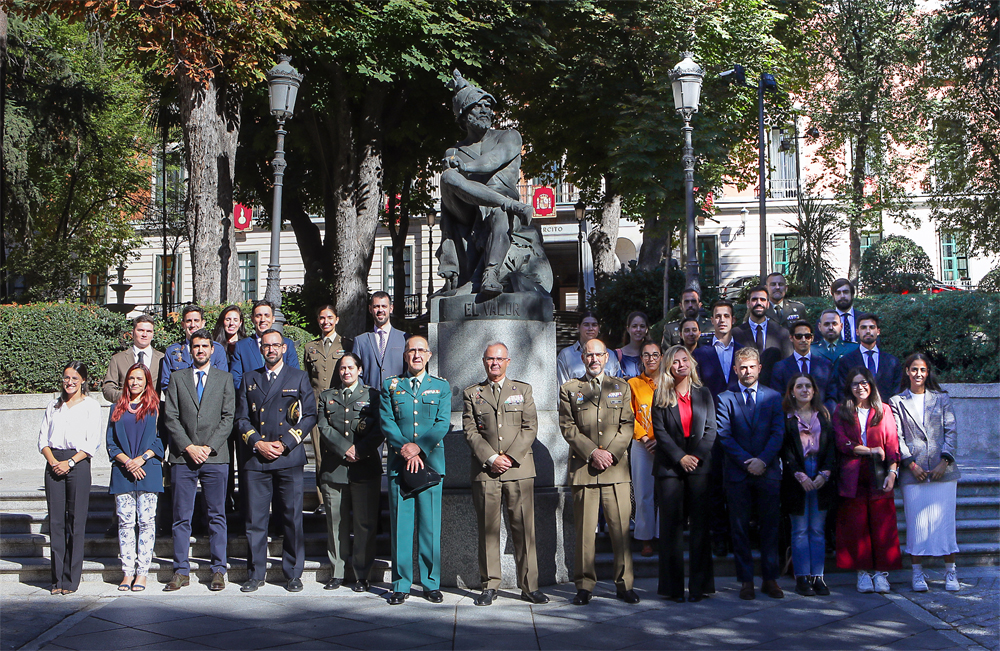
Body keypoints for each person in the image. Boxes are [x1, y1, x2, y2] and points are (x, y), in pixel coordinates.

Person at [438, 70, 549, 298]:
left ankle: (490, 273)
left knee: (498, 212)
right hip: (469, 212)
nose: (486, 110)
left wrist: (464, 167)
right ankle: (511, 205)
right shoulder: (454, 152)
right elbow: (453, 187)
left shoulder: (509, 136)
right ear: (464, 114)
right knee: (447, 177)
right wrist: (456, 168)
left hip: (499, 212)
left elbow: (492, 161)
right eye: (479, 106)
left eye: (489, 106)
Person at [462, 342, 548, 606]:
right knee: (488, 530)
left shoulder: (522, 390)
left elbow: (529, 426)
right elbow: (470, 431)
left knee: (524, 529)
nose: (494, 363)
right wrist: (491, 458)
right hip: (486, 471)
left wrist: (509, 458)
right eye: (490, 359)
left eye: (499, 359)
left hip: (519, 469)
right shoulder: (472, 393)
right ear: (484, 361)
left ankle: (529, 586)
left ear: (508, 361)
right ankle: (489, 585)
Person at [559, 338, 639, 606]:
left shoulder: (621, 387)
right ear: (582, 358)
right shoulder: (570, 389)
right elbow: (568, 427)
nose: (593, 359)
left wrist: (610, 453)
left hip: (616, 470)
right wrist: (593, 452)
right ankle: (584, 586)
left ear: (607, 358)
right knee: (584, 533)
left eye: (598, 355)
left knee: (620, 531)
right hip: (585, 469)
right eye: (589, 355)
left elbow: (628, 424)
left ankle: (624, 584)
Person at [236, 329, 317, 593]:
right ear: (261, 349)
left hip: (288, 456)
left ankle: (293, 573)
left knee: (292, 518)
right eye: (266, 346)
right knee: (255, 520)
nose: (271, 349)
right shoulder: (250, 378)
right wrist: (256, 442)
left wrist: (286, 443)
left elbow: (309, 416)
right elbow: (241, 418)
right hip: (257, 459)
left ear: (284, 348)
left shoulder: (299, 377)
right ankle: (255, 573)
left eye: (276, 345)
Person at [163, 329, 236, 592]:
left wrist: (208, 447)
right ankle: (181, 570)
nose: (201, 350)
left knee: (217, 515)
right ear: (189, 349)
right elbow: (170, 416)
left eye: (205, 346)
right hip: (183, 457)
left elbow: (229, 417)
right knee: (181, 516)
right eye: (196, 346)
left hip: (215, 457)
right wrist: (189, 446)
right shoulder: (177, 378)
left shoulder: (224, 379)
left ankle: (218, 569)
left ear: (212, 350)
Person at [380, 336, 451, 605]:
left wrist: (418, 448)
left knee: (429, 528)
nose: (417, 355)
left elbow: (442, 423)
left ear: (429, 355)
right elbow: (387, 422)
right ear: (405, 355)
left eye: (421, 350)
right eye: (412, 350)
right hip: (400, 466)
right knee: (401, 527)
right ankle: (401, 583)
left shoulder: (441, 387)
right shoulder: (391, 386)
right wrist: (404, 448)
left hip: (430, 465)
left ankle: (430, 583)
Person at [715, 347, 786, 600]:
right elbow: (724, 435)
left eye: (751, 366)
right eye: (742, 367)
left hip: (767, 472)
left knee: (770, 528)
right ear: (735, 370)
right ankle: (746, 580)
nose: (747, 371)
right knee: (740, 529)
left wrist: (763, 461)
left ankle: (770, 579)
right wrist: (748, 462)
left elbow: (778, 433)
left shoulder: (774, 397)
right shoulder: (725, 398)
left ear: (759, 368)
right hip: (738, 473)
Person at [650, 346, 716, 602]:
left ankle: (700, 587)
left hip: (699, 467)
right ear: (668, 366)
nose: (681, 365)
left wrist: (696, 456)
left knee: (700, 528)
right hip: (670, 469)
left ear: (691, 363)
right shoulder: (660, 395)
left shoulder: (704, 393)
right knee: (671, 530)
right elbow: (661, 433)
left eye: (684, 360)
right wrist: (681, 457)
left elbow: (711, 429)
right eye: (675, 361)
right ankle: (672, 588)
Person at [889, 353, 961, 592]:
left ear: (927, 372)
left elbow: (951, 431)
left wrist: (944, 461)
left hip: (943, 472)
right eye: (914, 369)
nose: (918, 374)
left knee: (945, 523)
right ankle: (917, 574)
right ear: (907, 372)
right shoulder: (896, 401)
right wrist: (910, 464)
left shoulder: (942, 399)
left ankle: (950, 572)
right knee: (917, 523)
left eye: (922, 370)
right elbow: (897, 437)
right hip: (914, 472)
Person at [317, 353, 384, 593]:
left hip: (365, 467)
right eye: (342, 368)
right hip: (335, 469)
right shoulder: (327, 397)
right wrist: (346, 449)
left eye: (350, 367)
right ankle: (337, 572)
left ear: (360, 369)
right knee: (336, 522)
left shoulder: (373, 396)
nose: (346, 372)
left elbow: (380, 428)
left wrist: (360, 450)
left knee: (364, 524)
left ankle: (362, 574)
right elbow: (324, 427)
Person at [832, 366, 902, 594]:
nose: (860, 387)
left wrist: (893, 472)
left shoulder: (884, 410)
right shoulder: (842, 410)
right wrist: (870, 450)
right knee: (856, 525)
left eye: (864, 383)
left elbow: (892, 444)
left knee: (883, 525)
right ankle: (862, 572)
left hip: (879, 474)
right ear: (849, 387)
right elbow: (842, 443)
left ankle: (882, 573)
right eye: (855, 383)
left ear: (871, 384)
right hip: (852, 475)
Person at [38, 361, 102, 595]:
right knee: (56, 522)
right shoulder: (54, 406)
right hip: (54, 463)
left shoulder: (91, 406)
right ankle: (56, 580)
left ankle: (71, 580)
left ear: (83, 380)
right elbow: (43, 439)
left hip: (79, 463)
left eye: (75, 378)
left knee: (76, 522)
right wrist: (54, 462)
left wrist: (71, 462)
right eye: (66, 377)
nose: (70, 382)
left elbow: (92, 440)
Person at [692, 299, 743, 558]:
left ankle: (738, 535)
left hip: (739, 428)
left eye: (726, 315)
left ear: (733, 320)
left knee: (736, 484)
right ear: (711, 321)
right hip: (709, 428)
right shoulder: (700, 354)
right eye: (717, 315)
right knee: (712, 485)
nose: (722, 320)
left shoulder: (745, 351)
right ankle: (719, 536)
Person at [106, 363, 164, 592]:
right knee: (126, 523)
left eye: (140, 379)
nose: (135, 382)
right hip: (123, 471)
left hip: (148, 470)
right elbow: (110, 443)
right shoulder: (116, 408)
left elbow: (162, 439)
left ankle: (142, 573)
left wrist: (142, 458)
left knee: (147, 523)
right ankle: (127, 572)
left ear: (147, 381)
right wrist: (128, 461)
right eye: (131, 378)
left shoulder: (156, 407)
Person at [780, 373, 836, 597]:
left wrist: (826, 472)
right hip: (797, 476)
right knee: (800, 529)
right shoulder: (786, 417)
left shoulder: (823, 415)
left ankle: (818, 577)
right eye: (799, 386)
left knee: (817, 529)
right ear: (792, 391)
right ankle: (802, 577)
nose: (804, 390)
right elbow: (785, 449)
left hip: (820, 473)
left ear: (814, 390)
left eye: (808, 386)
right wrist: (799, 475)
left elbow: (832, 447)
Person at [303, 304, 349, 516]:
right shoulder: (310, 347)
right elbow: (307, 378)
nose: (326, 322)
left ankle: (344, 496)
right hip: (316, 407)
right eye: (322, 318)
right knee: (320, 454)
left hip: (340, 406)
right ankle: (323, 499)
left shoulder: (346, 344)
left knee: (340, 451)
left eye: (330, 317)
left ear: (337, 319)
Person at [212, 305, 247, 515]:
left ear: (241, 322)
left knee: (243, 458)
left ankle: (243, 502)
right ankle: (225, 501)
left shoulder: (248, 346)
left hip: (241, 409)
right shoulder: (215, 347)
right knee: (224, 458)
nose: (231, 323)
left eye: (235, 319)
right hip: (220, 410)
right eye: (227, 319)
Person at [628, 341, 661, 558]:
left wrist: (660, 439)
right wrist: (645, 437)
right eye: (646, 355)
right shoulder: (632, 384)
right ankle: (646, 538)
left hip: (665, 444)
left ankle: (662, 534)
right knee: (643, 492)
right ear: (641, 359)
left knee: (665, 492)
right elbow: (629, 415)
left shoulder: (668, 383)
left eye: (655, 354)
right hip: (641, 443)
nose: (650, 359)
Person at [832, 314, 902, 404]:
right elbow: (843, 391)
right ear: (857, 332)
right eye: (863, 327)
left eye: (872, 327)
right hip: (856, 413)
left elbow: (896, 391)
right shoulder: (846, 361)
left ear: (878, 331)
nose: (868, 331)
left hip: (886, 412)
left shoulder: (892, 362)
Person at [230, 300, 299, 391]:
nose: (263, 320)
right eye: (258, 316)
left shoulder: (287, 344)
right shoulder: (242, 347)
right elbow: (236, 380)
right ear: (252, 319)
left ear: (273, 319)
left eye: (267, 315)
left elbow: (295, 375)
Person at [732, 285, 792, 387]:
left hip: (774, 393)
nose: (759, 303)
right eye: (754, 299)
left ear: (768, 304)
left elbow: (789, 367)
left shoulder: (782, 333)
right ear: (748, 304)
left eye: (762, 299)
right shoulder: (736, 334)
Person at [161, 305, 230, 391]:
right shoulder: (172, 351)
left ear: (203, 323)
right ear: (183, 324)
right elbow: (166, 384)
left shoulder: (217, 349)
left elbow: (222, 381)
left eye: (196, 320)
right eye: (189, 321)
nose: (193, 325)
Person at [770, 320, 835, 407]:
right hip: (791, 417)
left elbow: (832, 396)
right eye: (799, 336)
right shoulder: (780, 367)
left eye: (807, 336)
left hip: (820, 416)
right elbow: (778, 397)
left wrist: (822, 414)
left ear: (812, 338)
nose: (803, 340)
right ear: (791, 338)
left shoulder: (825, 365)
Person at [352, 292, 408, 391]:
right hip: (369, 400)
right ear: (370, 309)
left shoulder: (404, 338)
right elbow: (356, 372)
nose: (380, 310)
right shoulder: (360, 341)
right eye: (376, 307)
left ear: (391, 308)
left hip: (397, 398)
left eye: (384, 306)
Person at [103, 315, 164, 400]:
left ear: (153, 334)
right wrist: (128, 398)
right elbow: (108, 388)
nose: (144, 334)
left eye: (149, 331)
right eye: (140, 330)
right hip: (126, 410)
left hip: (154, 411)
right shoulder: (118, 359)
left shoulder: (162, 359)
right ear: (132, 332)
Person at [556, 311, 621, 386]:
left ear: (599, 327)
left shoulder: (610, 355)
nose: (590, 328)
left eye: (594, 325)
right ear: (578, 326)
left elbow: (618, 386)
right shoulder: (566, 355)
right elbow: (562, 387)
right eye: (586, 325)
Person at [614, 311, 649, 379]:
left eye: (642, 326)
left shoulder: (653, 354)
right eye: (634, 326)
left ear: (646, 329)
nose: (638, 329)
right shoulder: (617, 355)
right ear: (628, 329)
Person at [831, 278, 860, 344]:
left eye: (846, 292)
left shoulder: (864, 318)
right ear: (833, 296)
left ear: (852, 295)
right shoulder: (824, 322)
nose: (842, 296)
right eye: (838, 293)